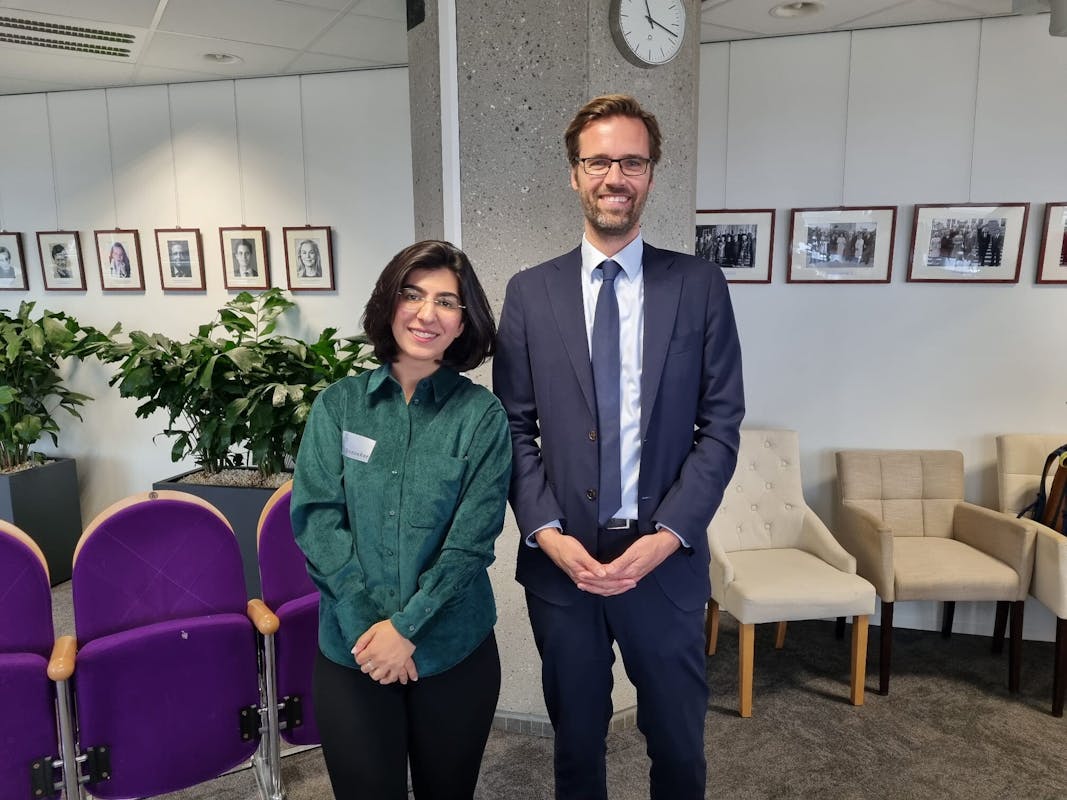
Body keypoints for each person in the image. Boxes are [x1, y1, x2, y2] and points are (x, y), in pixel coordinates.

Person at [493, 94, 745, 800]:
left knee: (678, 745)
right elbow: (513, 426)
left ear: (651, 174)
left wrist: (667, 536)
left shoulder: (698, 285)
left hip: (663, 563)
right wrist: (546, 533)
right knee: (576, 744)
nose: (615, 177)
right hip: (563, 567)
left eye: (631, 162)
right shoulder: (529, 292)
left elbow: (721, 424)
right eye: (598, 161)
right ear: (574, 174)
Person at [291, 240, 512, 800]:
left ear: (463, 321)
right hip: (354, 650)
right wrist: (372, 632)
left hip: (453, 649)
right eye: (412, 295)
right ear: (389, 303)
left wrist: (406, 629)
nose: (425, 313)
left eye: (446, 301)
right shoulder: (338, 406)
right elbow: (317, 520)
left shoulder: (481, 416)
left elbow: (471, 542)